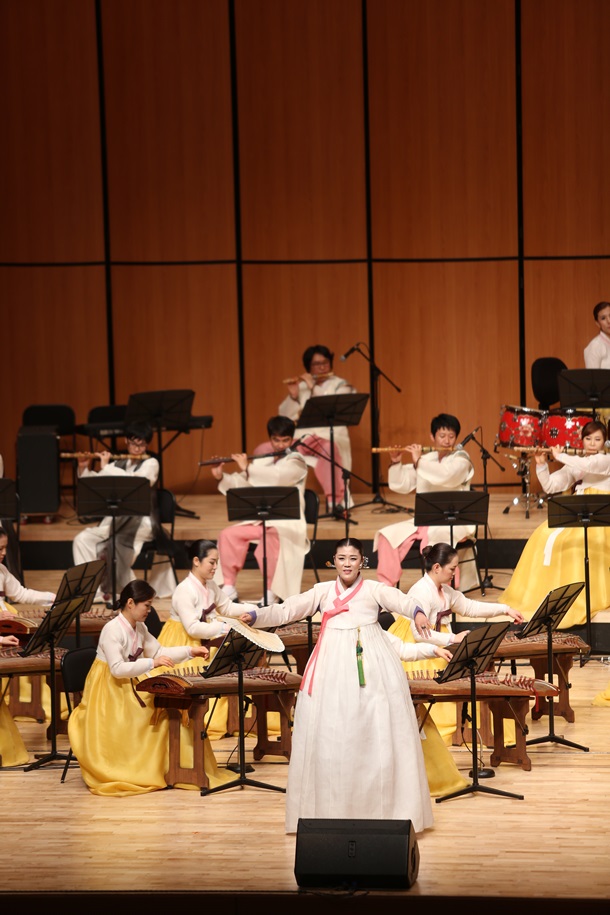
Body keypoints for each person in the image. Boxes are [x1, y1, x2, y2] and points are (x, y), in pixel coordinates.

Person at [239, 536, 453, 834]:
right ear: (334, 562)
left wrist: (417, 613)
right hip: (331, 665)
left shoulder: (374, 589)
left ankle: (383, 812)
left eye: (353, 558)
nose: (347, 564)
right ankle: (333, 812)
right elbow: (287, 610)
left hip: (373, 664)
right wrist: (255, 615)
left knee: (375, 732)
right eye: (341, 558)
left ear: (362, 561)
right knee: (333, 734)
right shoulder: (323, 591)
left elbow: (404, 601)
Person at [67, 579, 236, 796]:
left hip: (130, 683)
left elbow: (158, 652)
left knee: (169, 711)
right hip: (109, 691)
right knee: (158, 716)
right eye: (146, 605)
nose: (149, 610)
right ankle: (154, 770)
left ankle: (178, 770)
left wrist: (189, 652)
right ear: (130, 603)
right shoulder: (112, 630)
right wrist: (151, 664)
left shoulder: (139, 627)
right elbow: (117, 669)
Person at [389, 542, 524, 743]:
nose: (455, 572)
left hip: (440, 641)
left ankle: (479, 724)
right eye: (452, 568)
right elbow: (419, 635)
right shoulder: (421, 592)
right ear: (437, 567)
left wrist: (505, 609)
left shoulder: (444, 590)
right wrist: (453, 638)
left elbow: (470, 607)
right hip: (423, 646)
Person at [501, 420, 610, 628]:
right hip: (579, 509)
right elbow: (551, 486)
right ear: (581, 440)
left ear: (604, 442)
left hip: (602, 515)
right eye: (588, 439)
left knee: (580, 545)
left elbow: (590, 465)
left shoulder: (606, 460)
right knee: (542, 535)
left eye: (597, 439)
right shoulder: (576, 463)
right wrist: (542, 464)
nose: (592, 443)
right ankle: (549, 597)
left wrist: (560, 456)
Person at [157, 539, 257, 739]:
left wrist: (255, 609)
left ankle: (236, 719)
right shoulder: (184, 590)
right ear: (196, 561)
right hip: (185, 640)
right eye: (211, 562)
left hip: (208, 636)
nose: (215, 567)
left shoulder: (210, 585)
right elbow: (193, 628)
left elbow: (227, 607)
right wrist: (223, 627)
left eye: (216, 562)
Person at [211, 415, 309, 604]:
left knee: (269, 537)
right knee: (228, 534)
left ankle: (271, 590)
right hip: (262, 519)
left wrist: (248, 468)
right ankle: (229, 586)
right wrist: (220, 476)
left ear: (292, 439)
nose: (280, 445)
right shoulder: (262, 462)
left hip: (286, 523)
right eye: (276, 440)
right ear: (270, 439)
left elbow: (278, 477)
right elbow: (242, 484)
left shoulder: (297, 461)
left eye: (285, 440)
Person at [72, 421, 175, 601]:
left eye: (142, 444)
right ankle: (92, 591)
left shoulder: (151, 463)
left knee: (115, 545)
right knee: (82, 539)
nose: (137, 448)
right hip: (116, 521)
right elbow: (94, 484)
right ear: (126, 441)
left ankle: (126, 592)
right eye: (133, 443)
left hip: (142, 523)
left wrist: (106, 467)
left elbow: (136, 483)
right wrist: (83, 467)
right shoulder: (119, 463)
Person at [374, 413, 476, 589]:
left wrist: (418, 461)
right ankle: (386, 588)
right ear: (432, 437)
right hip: (424, 520)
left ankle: (443, 588)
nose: (447, 441)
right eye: (442, 436)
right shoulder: (426, 459)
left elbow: (446, 476)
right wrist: (396, 462)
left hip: (453, 522)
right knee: (387, 536)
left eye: (451, 436)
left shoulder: (461, 459)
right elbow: (403, 484)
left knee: (439, 537)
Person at [0, 526, 56, 766]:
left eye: (5, 548)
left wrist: (53, 597)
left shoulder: (1, 571)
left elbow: (22, 594)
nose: (4, 553)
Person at [279, 344, 356, 511]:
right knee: (282, 451)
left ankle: (335, 501)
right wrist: (293, 396)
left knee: (328, 449)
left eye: (325, 362)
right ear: (308, 367)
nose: (322, 367)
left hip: (329, 437)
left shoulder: (340, 385)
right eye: (316, 364)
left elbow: (330, 409)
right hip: (304, 438)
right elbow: (284, 416)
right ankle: (287, 501)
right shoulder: (301, 387)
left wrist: (313, 387)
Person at [584, 301, 610, 368]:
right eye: (603, 318)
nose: (609, 321)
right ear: (598, 323)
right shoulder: (595, 346)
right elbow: (592, 374)